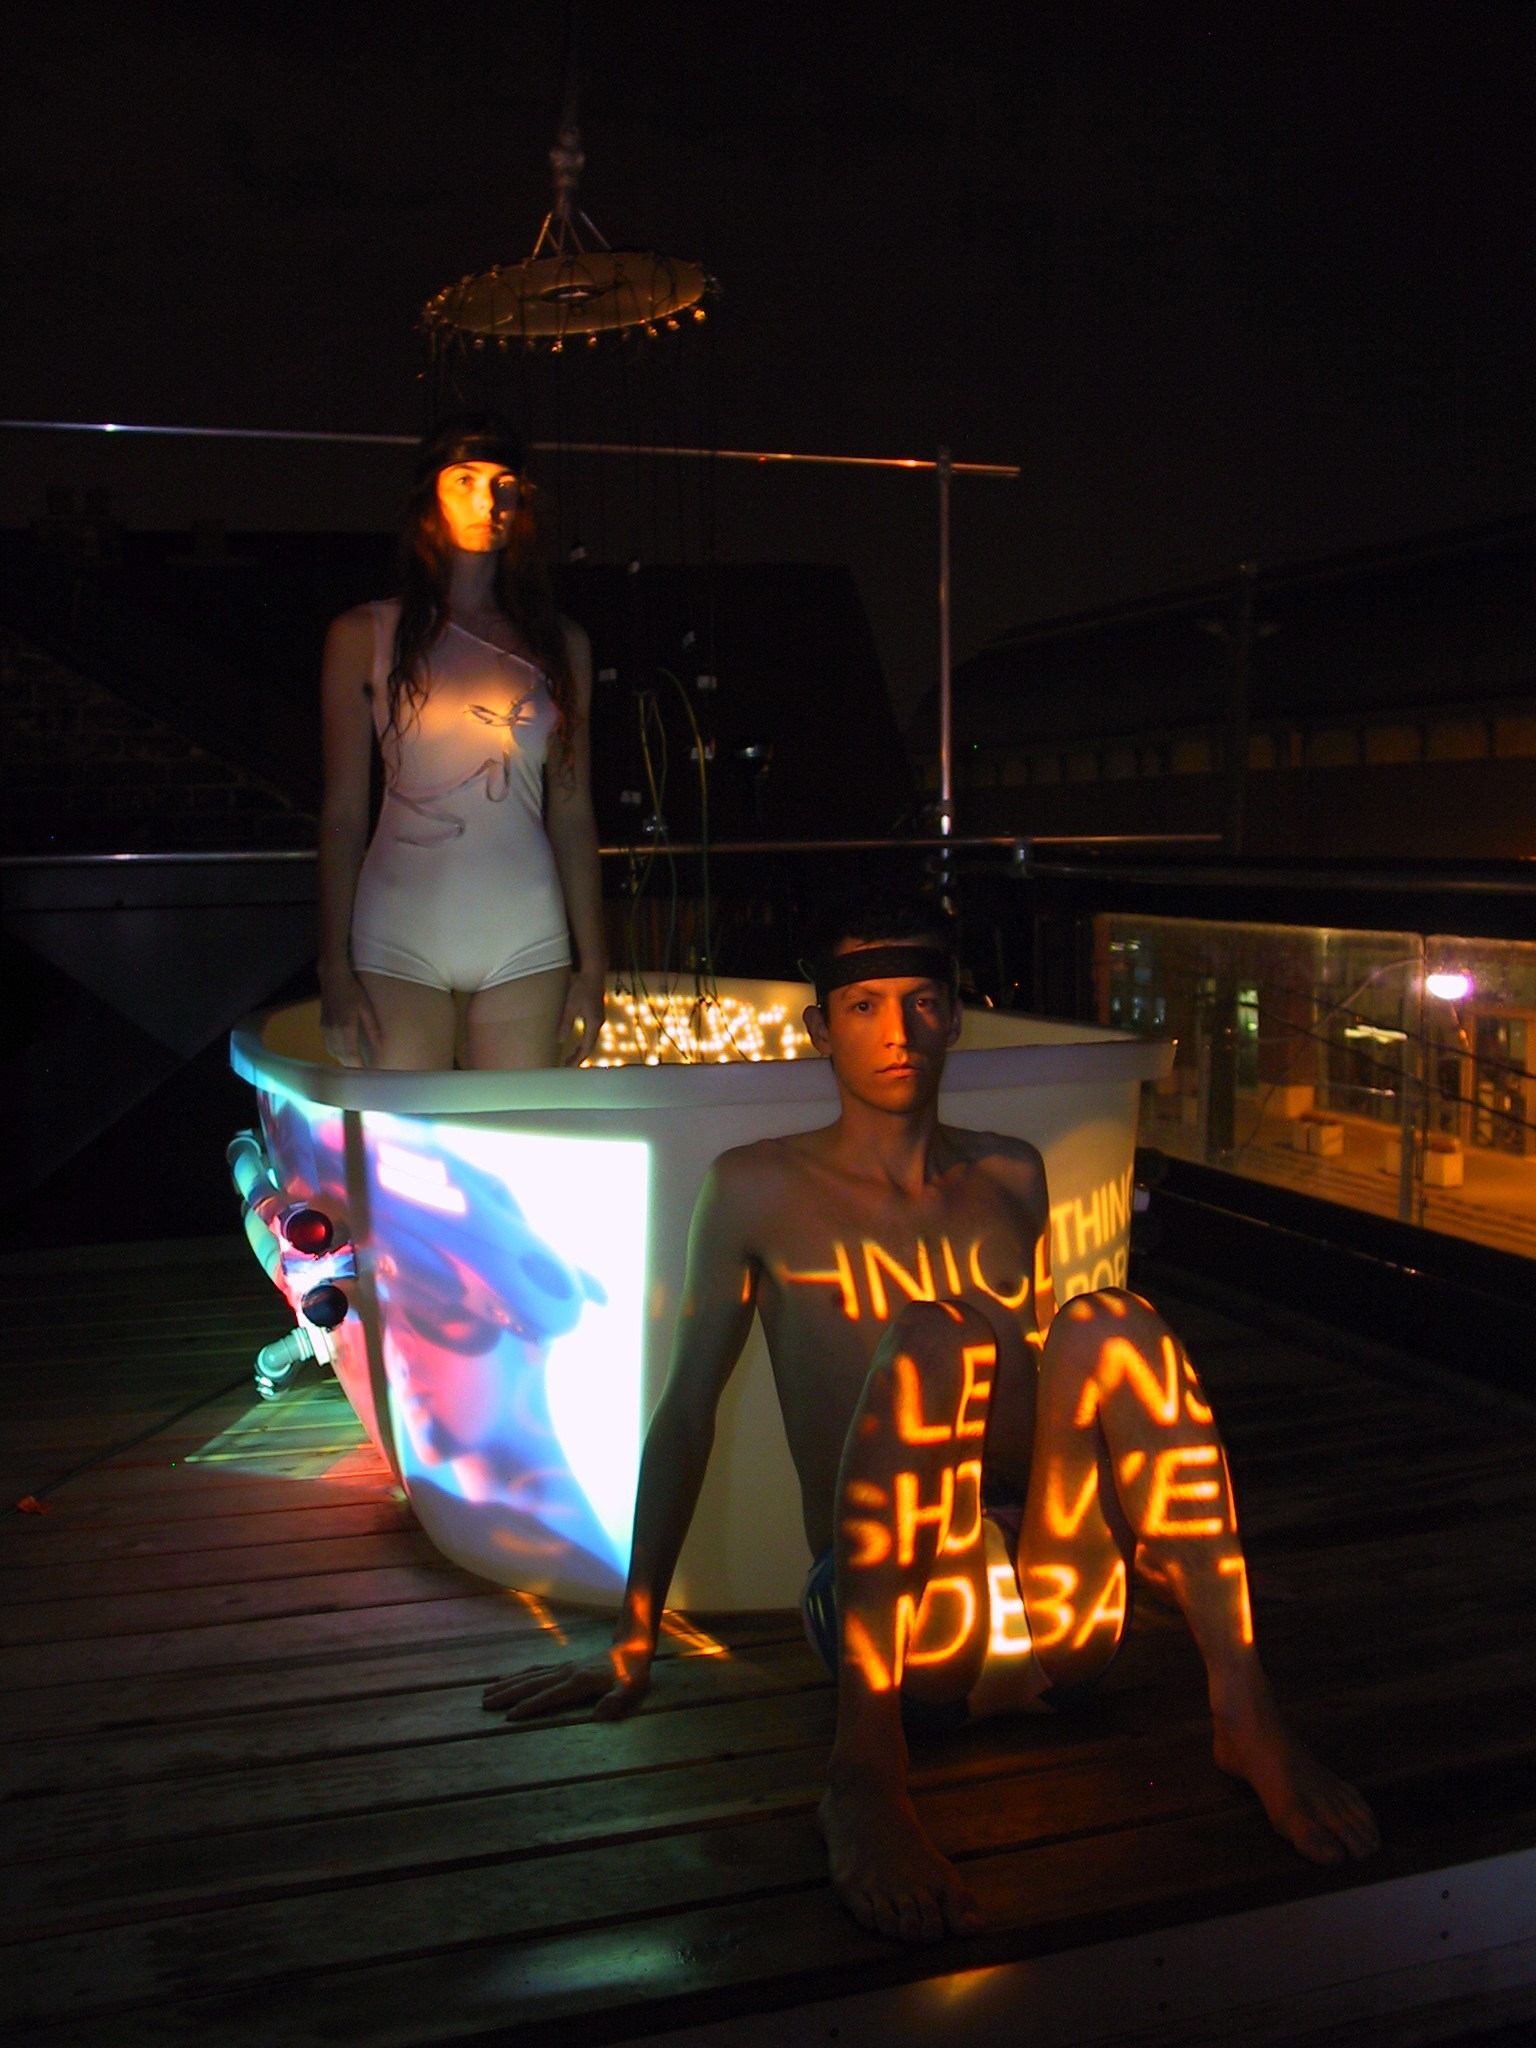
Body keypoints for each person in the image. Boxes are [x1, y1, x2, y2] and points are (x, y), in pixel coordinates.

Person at [482, 884, 1380, 1942]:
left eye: (920, 1001)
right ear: (821, 1028)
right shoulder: (754, 1188)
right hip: (905, 1637)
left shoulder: (1011, 1174)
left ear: (954, 1016)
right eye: (864, 1005)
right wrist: (632, 1639)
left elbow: (1055, 1404)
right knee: (934, 1337)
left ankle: (1246, 1710)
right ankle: (863, 1774)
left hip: (1058, 1612)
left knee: (1111, 1321)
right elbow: (686, 1415)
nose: (897, 1032)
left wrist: (1148, 1531)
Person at [317, 415, 606, 1071]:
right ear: (431, 497)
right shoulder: (364, 637)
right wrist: (333, 965)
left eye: (504, 484)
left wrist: (594, 966)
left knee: (513, 1125)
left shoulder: (562, 646)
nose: (488, 501)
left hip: (526, 934)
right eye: (466, 481)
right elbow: (342, 814)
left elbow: (572, 811)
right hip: (399, 932)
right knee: (406, 1129)